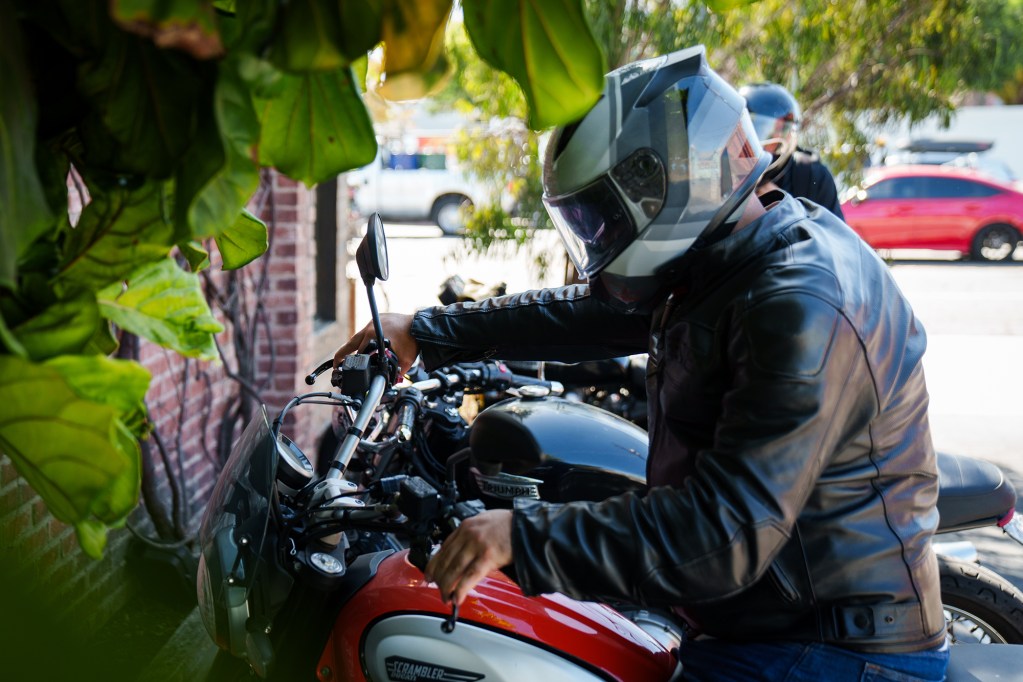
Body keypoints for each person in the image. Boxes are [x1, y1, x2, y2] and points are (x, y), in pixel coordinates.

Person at [334, 46, 948, 681]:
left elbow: (723, 535)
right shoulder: (729, 255)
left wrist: (521, 537)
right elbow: (593, 312)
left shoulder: (798, 305)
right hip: (768, 617)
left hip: (832, 649)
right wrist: (428, 331)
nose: (597, 238)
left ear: (666, 189)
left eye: (601, 216)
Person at [739, 82, 845, 220]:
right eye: (759, 128)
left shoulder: (810, 175)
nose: (774, 137)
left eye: (781, 130)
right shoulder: (726, 168)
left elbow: (834, 234)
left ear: (790, 135)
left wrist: (787, 207)